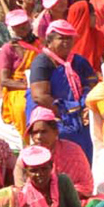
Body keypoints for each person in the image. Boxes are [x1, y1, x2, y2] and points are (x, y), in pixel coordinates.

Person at [26, 20, 97, 161]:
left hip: (79, 110)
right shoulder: (42, 62)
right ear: (50, 41)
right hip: (53, 111)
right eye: (61, 38)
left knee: (90, 131)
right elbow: (40, 96)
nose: (66, 42)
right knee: (64, 133)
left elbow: (93, 84)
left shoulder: (78, 61)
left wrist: (86, 107)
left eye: (69, 38)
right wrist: (66, 113)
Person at [17, 107, 91, 204]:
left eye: (44, 132)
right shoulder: (25, 157)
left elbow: (85, 185)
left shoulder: (73, 151)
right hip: (35, 205)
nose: (38, 137)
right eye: (35, 133)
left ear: (55, 131)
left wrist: (59, 197)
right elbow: (20, 189)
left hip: (70, 202)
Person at [0, 11, 39, 140]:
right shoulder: (8, 49)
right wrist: (27, 86)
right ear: (11, 29)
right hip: (18, 89)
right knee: (22, 107)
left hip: (40, 83)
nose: (22, 27)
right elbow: (5, 81)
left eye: (24, 23)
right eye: (17, 26)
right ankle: (27, 142)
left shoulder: (39, 43)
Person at [17, 145, 81, 207]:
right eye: (33, 171)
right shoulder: (24, 195)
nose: (39, 174)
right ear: (26, 172)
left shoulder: (63, 182)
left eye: (44, 169)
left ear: (51, 167)